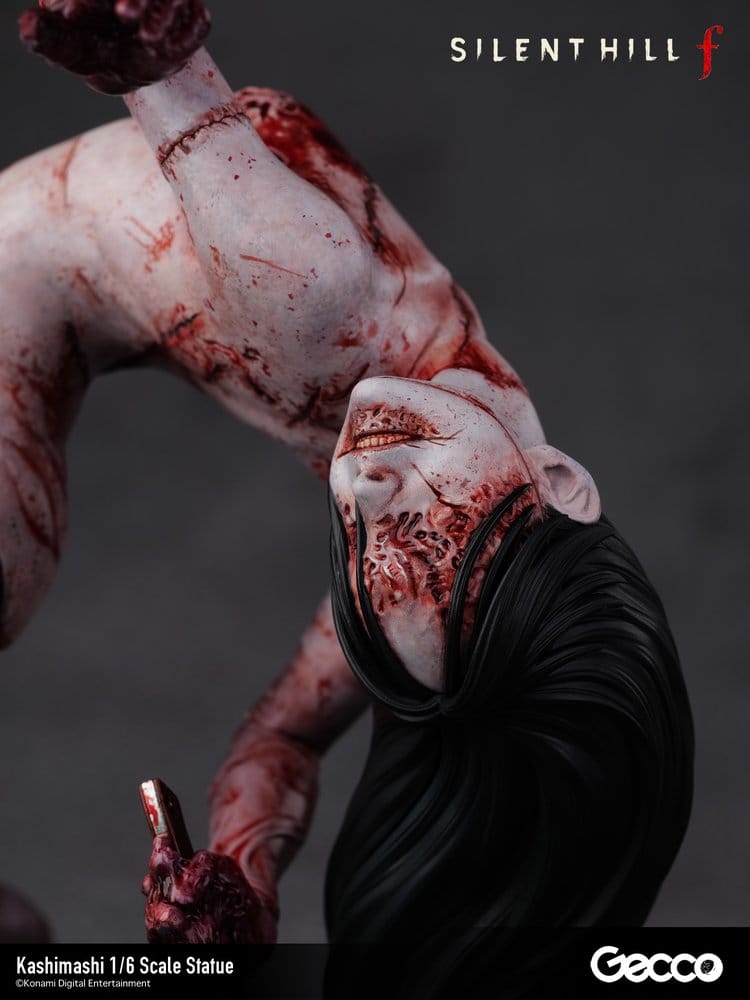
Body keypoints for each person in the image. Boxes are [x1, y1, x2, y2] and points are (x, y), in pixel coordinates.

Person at [5, 2, 692, 975]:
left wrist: (247, 873)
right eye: (433, 530)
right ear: (557, 481)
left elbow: (284, 736)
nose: (364, 491)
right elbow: (176, 95)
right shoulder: (325, 309)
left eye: (371, 556)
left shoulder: (408, 602)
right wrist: (154, 61)